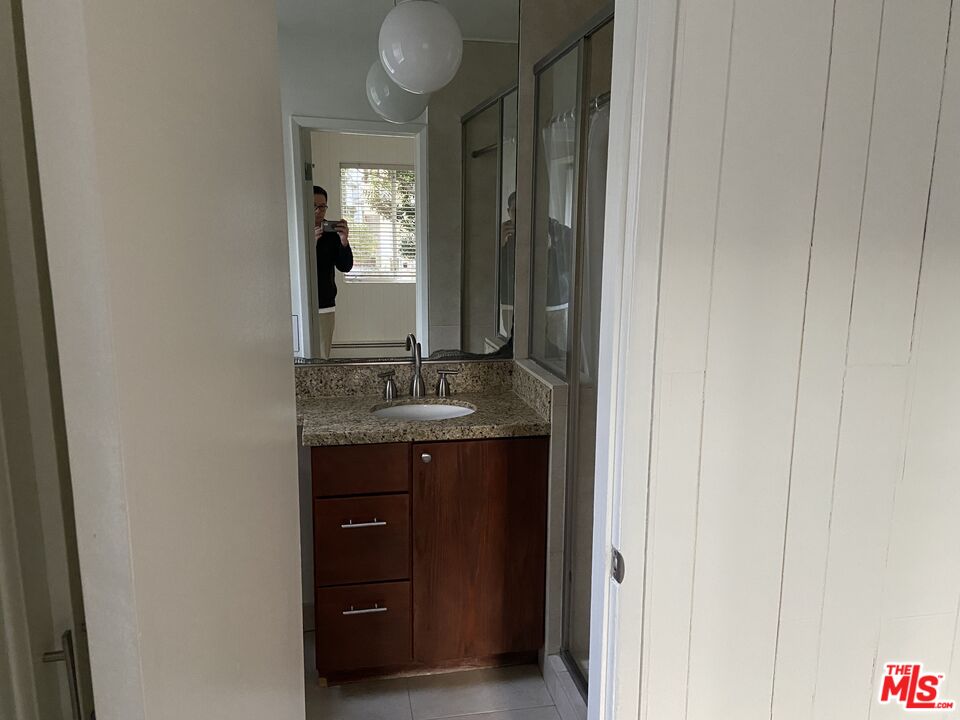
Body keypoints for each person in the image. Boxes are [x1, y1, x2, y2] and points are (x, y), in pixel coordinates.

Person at [313, 185, 352, 359]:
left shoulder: (331, 235)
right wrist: (310, 243)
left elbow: (345, 266)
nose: (318, 211)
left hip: (324, 305)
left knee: (322, 356)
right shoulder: (296, 231)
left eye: (322, 206)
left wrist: (344, 241)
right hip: (296, 305)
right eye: (314, 206)